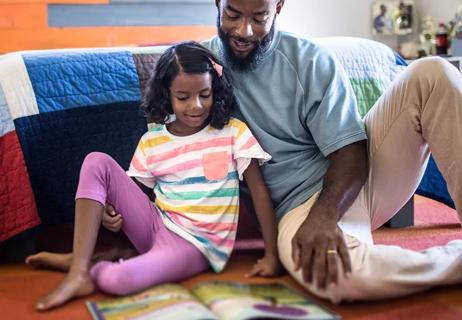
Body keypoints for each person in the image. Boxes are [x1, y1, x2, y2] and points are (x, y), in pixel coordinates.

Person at [105, 0, 462, 303]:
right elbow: (172, 151)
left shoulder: (309, 60)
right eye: (233, 14)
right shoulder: (199, 70)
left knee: (432, 72)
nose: (244, 31)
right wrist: (131, 213)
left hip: (357, 178)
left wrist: (324, 218)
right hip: (294, 206)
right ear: (216, 2)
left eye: (259, 17)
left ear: (279, 6)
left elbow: (351, 152)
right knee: (336, 278)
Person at [25, 41, 282, 311]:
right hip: (155, 226)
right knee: (96, 161)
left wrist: (272, 254)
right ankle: (78, 270)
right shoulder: (153, 140)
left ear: (215, 91)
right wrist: (106, 212)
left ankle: (95, 261)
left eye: (204, 95)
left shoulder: (232, 133)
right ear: (166, 95)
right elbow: (127, 194)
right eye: (183, 97)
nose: (196, 106)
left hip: (196, 245)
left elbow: (259, 191)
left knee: (116, 279)